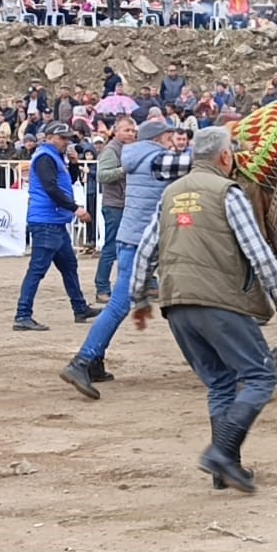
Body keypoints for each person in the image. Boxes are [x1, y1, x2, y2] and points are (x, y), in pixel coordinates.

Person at [129, 127, 277, 492]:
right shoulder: (227, 192)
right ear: (225, 157)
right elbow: (257, 251)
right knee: (261, 376)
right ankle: (220, 453)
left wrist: (140, 300)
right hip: (219, 301)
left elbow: (145, 250)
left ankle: (227, 469)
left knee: (219, 382)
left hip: (177, 304)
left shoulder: (171, 193)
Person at [60, 118, 191, 396]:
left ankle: (94, 362)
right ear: (160, 137)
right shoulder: (156, 160)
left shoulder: (137, 156)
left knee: (120, 303)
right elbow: (195, 163)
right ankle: (82, 360)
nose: (172, 140)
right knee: (119, 305)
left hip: (133, 238)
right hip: (139, 241)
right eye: (169, 136)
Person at [12, 122, 98, 331]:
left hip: (54, 222)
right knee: (38, 269)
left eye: (68, 139)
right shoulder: (44, 158)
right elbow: (51, 188)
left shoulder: (53, 157)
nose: (66, 142)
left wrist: (74, 164)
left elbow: (67, 182)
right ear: (49, 137)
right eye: (63, 138)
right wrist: (74, 208)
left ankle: (79, 308)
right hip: (47, 222)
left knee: (69, 266)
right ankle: (22, 314)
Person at [93, 115, 136, 302]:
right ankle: (102, 287)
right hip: (114, 205)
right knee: (111, 247)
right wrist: (122, 170)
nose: (131, 133)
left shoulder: (129, 149)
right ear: (116, 131)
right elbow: (101, 176)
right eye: (127, 130)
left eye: (133, 130)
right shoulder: (111, 150)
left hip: (125, 204)